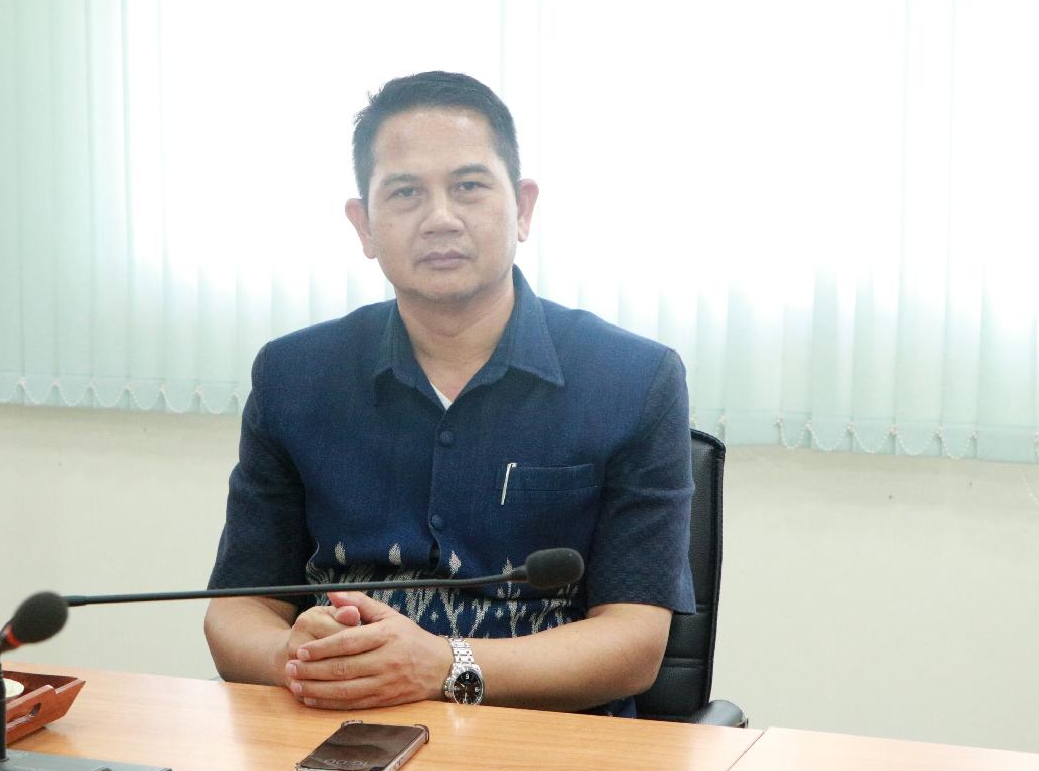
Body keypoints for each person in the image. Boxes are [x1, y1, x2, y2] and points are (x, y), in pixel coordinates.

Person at [204, 71, 694, 716]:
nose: (440, 219)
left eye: (468, 186)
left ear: (522, 208)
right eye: (405, 192)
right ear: (364, 225)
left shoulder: (632, 379)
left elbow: (634, 642)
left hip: (543, 737)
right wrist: (291, 657)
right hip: (334, 721)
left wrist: (443, 665)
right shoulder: (293, 376)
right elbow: (237, 608)